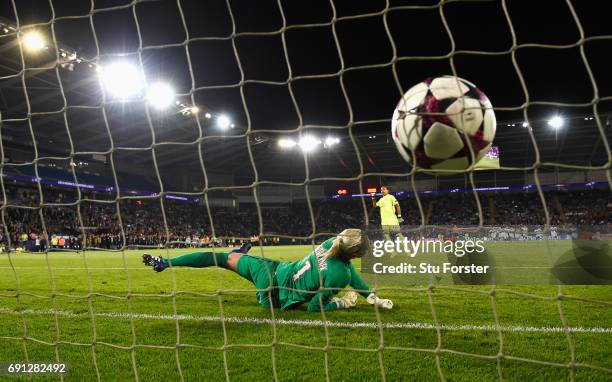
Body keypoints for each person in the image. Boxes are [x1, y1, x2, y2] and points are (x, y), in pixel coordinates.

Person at [142, 229, 393, 312]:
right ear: (354, 254)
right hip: (273, 292)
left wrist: (367, 296)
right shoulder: (341, 274)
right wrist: (343, 303)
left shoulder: (330, 244)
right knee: (227, 257)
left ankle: (166, 263)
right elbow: (316, 307)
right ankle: (241, 253)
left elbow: (348, 272)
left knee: (218, 257)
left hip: (272, 274)